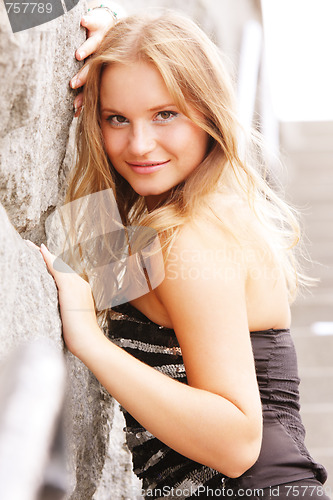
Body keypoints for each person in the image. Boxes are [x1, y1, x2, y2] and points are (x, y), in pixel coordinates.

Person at [36, 5, 330, 499]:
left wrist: (90, 341)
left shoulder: (194, 238)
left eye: (165, 113)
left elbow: (238, 443)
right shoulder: (170, 217)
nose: (140, 144)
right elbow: (84, 237)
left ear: (209, 111)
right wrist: (116, 48)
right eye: (117, 118)